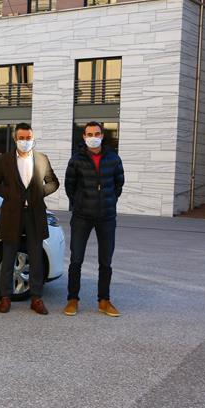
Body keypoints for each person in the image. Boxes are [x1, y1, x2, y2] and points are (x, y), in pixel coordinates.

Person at [0, 122, 59, 315]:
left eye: (28, 138)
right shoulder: (4, 160)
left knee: (36, 258)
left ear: (33, 138)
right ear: (15, 139)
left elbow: (54, 182)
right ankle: (5, 297)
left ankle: (36, 298)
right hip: (11, 215)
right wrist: (8, 193)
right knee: (8, 257)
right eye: (21, 138)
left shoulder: (42, 159)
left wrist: (40, 192)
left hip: (35, 215)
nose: (25, 141)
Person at [63, 121, 125, 317]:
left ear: (102, 135)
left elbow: (118, 184)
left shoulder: (113, 159)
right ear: (84, 137)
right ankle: (72, 299)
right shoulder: (76, 160)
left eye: (96, 133)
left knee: (105, 261)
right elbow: (69, 186)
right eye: (89, 134)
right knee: (76, 260)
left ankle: (104, 300)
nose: (93, 137)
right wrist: (80, 203)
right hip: (82, 216)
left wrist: (108, 201)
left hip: (106, 217)